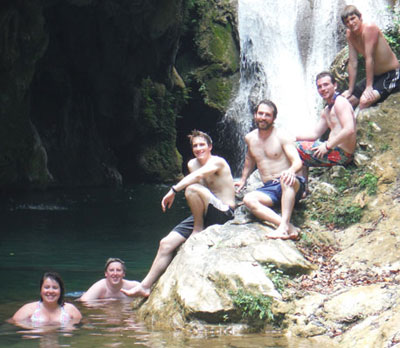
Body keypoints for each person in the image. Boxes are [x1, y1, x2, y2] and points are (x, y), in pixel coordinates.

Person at [121, 130, 236, 298]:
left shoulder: (218, 162)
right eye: (195, 146)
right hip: (204, 211)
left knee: (192, 189)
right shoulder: (192, 164)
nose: (198, 148)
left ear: (210, 147)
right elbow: (197, 187)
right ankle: (144, 286)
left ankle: (198, 230)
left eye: (202, 145)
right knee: (165, 243)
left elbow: (199, 177)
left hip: (223, 212)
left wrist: (173, 190)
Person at [235, 100, 305, 240]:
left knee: (286, 180)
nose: (263, 117)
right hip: (270, 189)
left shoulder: (282, 136)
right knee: (249, 199)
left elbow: (298, 161)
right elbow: (250, 159)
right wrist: (243, 180)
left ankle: (283, 228)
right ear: (255, 115)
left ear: (273, 118)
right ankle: (287, 226)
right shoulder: (250, 138)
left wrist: (290, 171)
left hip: (291, 184)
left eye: (267, 115)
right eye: (260, 113)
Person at [295, 71, 356, 186]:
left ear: (335, 85)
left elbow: (349, 129)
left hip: (341, 154)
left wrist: (327, 145)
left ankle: (301, 188)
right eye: (319, 86)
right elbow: (314, 134)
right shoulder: (327, 110)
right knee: (295, 146)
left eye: (326, 84)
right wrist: (294, 137)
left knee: (295, 149)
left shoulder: (340, 103)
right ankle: (303, 188)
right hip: (334, 151)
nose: (323, 89)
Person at [341, 5, 400, 110]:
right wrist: (350, 90)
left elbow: (370, 58)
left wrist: (369, 87)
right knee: (346, 101)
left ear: (360, 17)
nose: (350, 23)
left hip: (391, 74)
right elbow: (353, 62)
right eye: (347, 22)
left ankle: (356, 125)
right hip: (376, 76)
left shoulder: (369, 28)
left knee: (364, 101)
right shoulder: (350, 34)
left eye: (352, 18)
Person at [11, 271, 82, 326]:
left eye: (55, 288)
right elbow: (11, 324)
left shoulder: (70, 310)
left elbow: (84, 325)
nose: (50, 291)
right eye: (46, 287)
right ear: (40, 290)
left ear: (61, 290)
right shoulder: (28, 309)